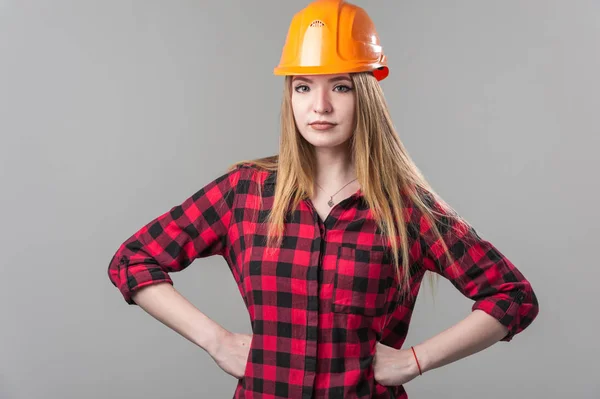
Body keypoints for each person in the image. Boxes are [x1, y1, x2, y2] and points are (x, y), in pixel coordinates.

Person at [107, 0, 539, 398]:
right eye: (303, 87)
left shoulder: (407, 209)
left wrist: (415, 361)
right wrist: (215, 341)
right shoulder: (246, 192)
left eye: (341, 87)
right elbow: (133, 260)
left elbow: (512, 296)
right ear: (289, 96)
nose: (321, 106)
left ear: (366, 95)